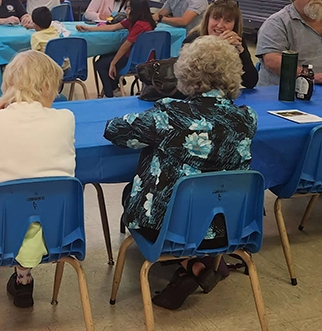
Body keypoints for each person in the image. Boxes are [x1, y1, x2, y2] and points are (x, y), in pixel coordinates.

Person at [104, 36, 257, 309]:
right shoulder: (247, 118)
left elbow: (114, 130)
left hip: (169, 229)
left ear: (186, 74)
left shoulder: (170, 115)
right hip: (225, 228)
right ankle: (197, 265)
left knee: (131, 194)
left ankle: (190, 263)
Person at [0, 51, 75, 308]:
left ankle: (20, 275)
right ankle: (23, 276)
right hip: (55, 233)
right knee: (33, 201)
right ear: (46, 86)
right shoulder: (66, 119)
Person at [78, 0, 156, 96]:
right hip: (135, 55)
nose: (125, 10)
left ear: (136, 10)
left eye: (128, 7)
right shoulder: (135, 21)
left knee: (101, 65)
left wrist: (113, 63)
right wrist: (89, 28)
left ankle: (110, 94)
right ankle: (114, 85)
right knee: (104, 57)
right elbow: (113, 27)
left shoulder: (140, 25)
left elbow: (126, 46)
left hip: (136, 59)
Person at [189, 0, 258, 90]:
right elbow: (189, 81)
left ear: (234, 25)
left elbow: (250, 82)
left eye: (228, 21)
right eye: (215, 18)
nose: (220, 25)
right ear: (207, 19)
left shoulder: (236, 40)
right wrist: (216, 47)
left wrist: (242, 53)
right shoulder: (193, 39)